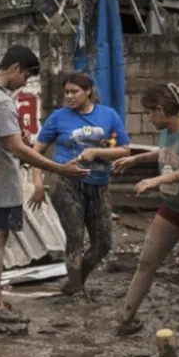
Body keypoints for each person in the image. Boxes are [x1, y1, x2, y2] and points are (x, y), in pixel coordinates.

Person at [0, 45, 90, 312]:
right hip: (0, 179)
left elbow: (4, 138)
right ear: (14, 69)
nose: (23, 84)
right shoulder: (0, 100)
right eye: (25, 77)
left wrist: (17, 138)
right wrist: (58, 169)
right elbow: (17, 147)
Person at [111, 83, 179, 337]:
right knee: (146, 262)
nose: (147, 118)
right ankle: (125, 321)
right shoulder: (168, 130)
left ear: (160, 110)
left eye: (149, 112)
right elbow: (168, 151)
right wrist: (138, 158)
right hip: (173, 207)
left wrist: (157, 180)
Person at [28, 72, 131, 295]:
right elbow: (36, 151)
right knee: (75, 237)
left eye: (75, 92)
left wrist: (96, 152)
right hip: (66, 183)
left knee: (103, 243)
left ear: (88, 91)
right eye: (66, 92)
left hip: (98, 184)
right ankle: (76, 291)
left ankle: (75, 283)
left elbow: (124, 149)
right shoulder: (58, 117)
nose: (70, 96)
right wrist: (37, 182)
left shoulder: (108, 116)